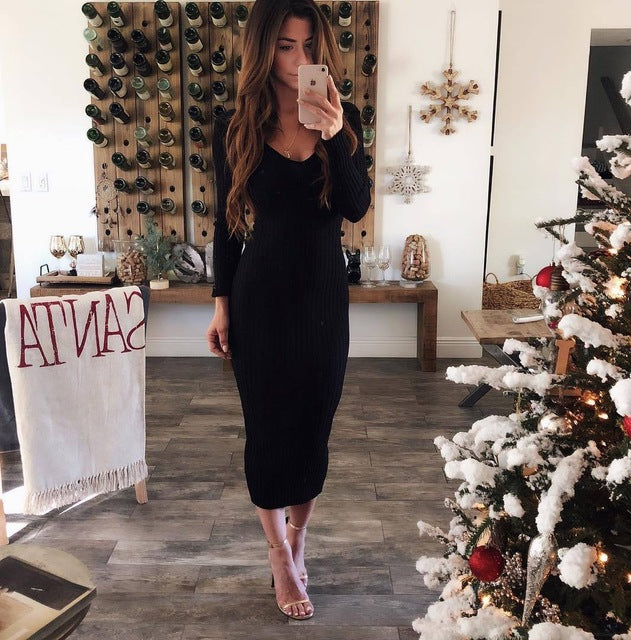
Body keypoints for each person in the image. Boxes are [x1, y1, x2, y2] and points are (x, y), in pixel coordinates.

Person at [205, 0, 370, 621]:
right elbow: (226, 226)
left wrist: (334, 135)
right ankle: (278, 552)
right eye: (285, 46)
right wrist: (221, 305)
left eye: (308, 46)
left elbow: (354, 208)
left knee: (313, 426)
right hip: (261, 299)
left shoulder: (345, 119)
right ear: (263, 49)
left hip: (324, 298)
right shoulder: (235, 126)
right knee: (268, 428)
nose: (300, 59)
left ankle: (299, 538)